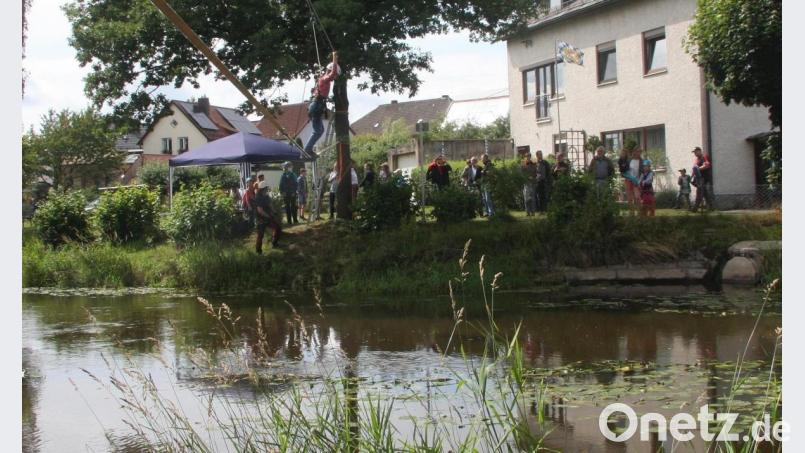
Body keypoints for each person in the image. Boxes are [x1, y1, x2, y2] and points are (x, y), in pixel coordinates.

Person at [304, 51, 339, 155]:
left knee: (320, 130)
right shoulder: (325, 79)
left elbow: (319, 93)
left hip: (317, 106)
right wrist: (334, 57)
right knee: (317, 131)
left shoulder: (322, 80)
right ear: (330, 70)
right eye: (336, 74)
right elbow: (332, 74)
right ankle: (307, 150)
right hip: (316, 106)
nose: (335, 77)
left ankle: (308, 149)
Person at [254, 180, 282, 254]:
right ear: (262, 189)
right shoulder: (258, 197)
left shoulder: (266, 196)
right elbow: (260, 210)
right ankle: (258, 250)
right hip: (260, 218)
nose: (267, 189)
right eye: (266, 188)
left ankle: (274, 243)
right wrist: (268, 216)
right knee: (261, 234)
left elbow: (270, 205)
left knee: (278, 228)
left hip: (268, 216)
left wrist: (274, 212)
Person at [691, 146, 715, 211]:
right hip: (698, 178)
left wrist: (698, 168)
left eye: (695, 152)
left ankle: (695, 208)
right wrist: (691, 177)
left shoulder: (704, 157)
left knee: (699, 192)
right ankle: (711, 207)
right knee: (705, 193)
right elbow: (694, 169)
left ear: (699, 151)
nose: (695, 153)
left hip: (703, 178)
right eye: (694, 152)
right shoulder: (697, 160)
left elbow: (707, 165)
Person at [625, 148, 644, 215]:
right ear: (634, 152)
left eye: (640, 152)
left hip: (637, 181)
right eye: (637, 151)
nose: (639, 153)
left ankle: (639, 212)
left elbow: (642, 172)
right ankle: (631, 212)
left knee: (637, 197)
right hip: (629, 180)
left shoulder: (641, 161)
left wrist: (639, 181)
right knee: (630, 198)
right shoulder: (629, 160)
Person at [521, 152, 538, 216]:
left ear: (530, 157)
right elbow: (522, 174)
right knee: (526, 199)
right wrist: (527, 177)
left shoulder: (533, 164)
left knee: (533, 198)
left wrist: (533, 177)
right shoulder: (523, 165)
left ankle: (533, 212)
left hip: (532, 183)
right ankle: (527, 212)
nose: (528, 157)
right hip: (526, 183)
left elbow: (536, 173)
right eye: (526, 156)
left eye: (529, 156)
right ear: (525, 157)